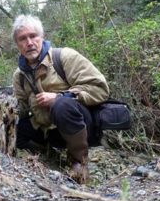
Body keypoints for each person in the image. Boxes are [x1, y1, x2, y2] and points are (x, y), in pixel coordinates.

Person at [12, 14, 109, 184]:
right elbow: (21, 108)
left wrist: (60, 96)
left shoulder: (64, 57)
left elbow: (100, 88)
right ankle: (47, 155)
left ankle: (79, 163)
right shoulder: (19, 76)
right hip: (48, 131)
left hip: (82, 127)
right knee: (16, 129)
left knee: (61, 105)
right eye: (23, 39)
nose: (29, 42)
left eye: (33, 36)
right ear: (17, 45)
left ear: (42, 37)